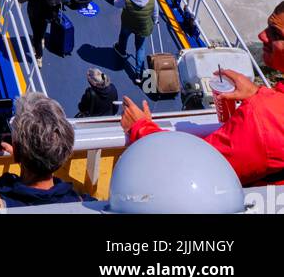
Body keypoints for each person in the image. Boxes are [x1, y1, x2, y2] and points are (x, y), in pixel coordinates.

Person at [121, 72, 284, 189]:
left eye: (276, 36)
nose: (262, 37)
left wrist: (140, 128)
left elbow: (195, 164)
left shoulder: (263, 119)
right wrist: (257, 93)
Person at [114, 0, 159, 76]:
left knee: (123, 36)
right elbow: (155, 11)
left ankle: (122, 51)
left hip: (128, 23)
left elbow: (116, 3)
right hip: (143, 28)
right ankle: (138, 74)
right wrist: (155, 20)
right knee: (140, 48)